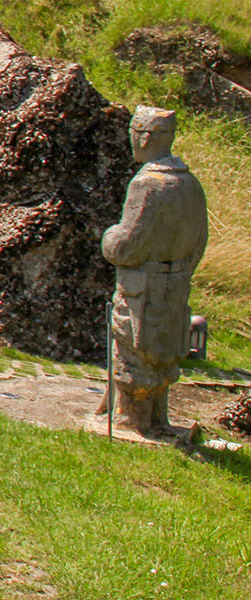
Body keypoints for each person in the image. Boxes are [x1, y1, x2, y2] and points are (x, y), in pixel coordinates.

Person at [101, 106, 208, 435]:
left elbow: (125, 247)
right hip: (175, 283)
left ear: (144, 137)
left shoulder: (148, 185)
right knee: (163, 351)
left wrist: (108, 237)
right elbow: (200, 240)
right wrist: (179, 271)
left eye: (134, 133)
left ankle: (132, 422)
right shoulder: (189, 183)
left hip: (142, 288)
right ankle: (157, 420)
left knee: (135, 352)